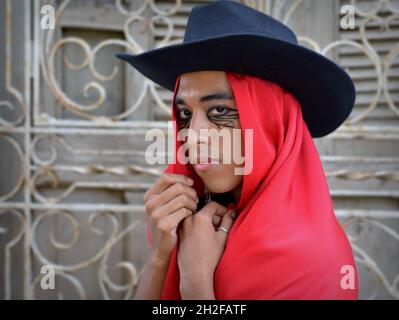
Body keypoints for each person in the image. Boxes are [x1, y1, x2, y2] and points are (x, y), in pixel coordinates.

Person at [116, 1, 359, 299]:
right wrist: (158, 257)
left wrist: (195, 282)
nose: (193, 137)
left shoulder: (312, 263)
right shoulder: (192, 221)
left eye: (219, 110)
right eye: (185, 115)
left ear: (271, 122)